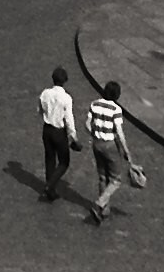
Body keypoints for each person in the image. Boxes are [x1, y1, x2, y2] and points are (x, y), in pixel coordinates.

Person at [86, 79, 134, 224]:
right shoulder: (116, 110)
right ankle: (100, 203)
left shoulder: (94, 104)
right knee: (115, 180)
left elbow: (87, 124)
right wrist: (126, 151)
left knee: (102, 177)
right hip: (110, 145)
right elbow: (119, 132)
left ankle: (104, 210)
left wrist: (94, 134)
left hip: (96, 144)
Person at [37, 66, 80, 201]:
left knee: (49, 159)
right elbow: (69, 119)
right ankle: (50, 186)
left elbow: (39, 110)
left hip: (47, 129)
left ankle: (51, 190)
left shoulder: (45, 93)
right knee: (64, 162)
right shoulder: (66, 98)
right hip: (59, 132)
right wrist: (73, 136)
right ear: (65, 81)